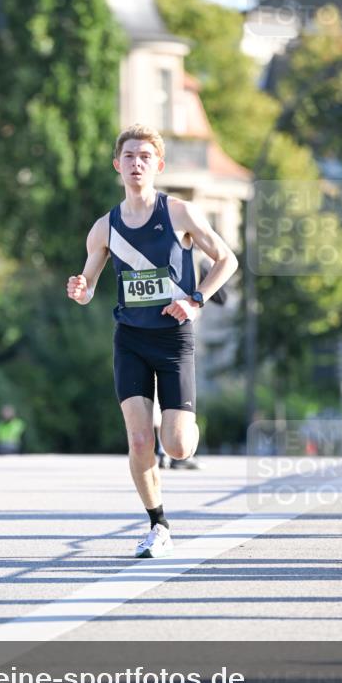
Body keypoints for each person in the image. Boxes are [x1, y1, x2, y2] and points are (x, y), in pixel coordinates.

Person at [67, 123, 238, 558]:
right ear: (117, 165)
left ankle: (183, 423)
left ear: (158, 165)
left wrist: (197, 300)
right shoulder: (104, 228)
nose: (136, 163)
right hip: (130, 340)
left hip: (175, 339)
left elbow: (226, 260)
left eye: (145, 156)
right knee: (140, 441)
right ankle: (158, 524)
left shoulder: (179, 212)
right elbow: (87, 283)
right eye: (129, 156)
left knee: (179, 445)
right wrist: (81, 290)